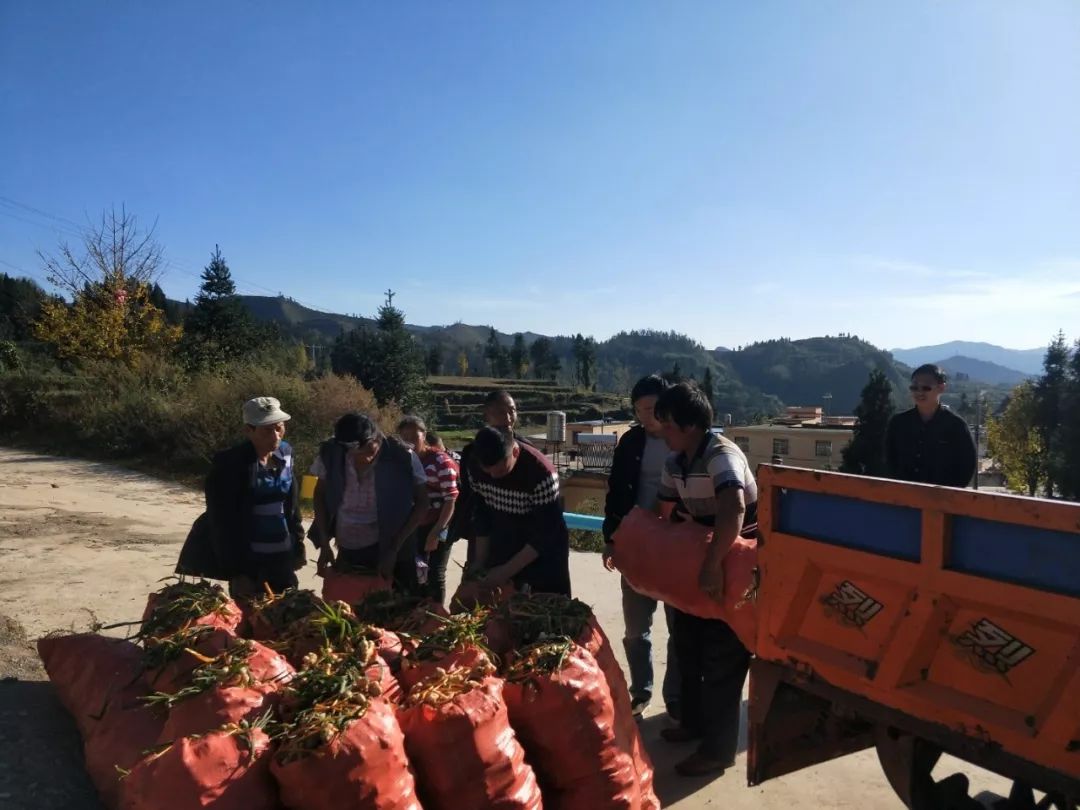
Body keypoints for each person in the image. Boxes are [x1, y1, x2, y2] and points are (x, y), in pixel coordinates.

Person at [654, 382, 756, 778]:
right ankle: (693, 725)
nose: (661, 430)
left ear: (690, 424)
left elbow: (734, 507)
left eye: (666, 423)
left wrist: (713, 566)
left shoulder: (721, 454)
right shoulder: (675, 462)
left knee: (722, 660)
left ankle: (717, 750)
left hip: (737, 566)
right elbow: (664, 509)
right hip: (703, 563)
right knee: (689, 649)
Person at [602, 374, 681, 719]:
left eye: (651, 409)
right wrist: (611, 538)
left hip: (678, 547)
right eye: (638, 410)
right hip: (637, 546)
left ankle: (677, 697)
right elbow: (616, 492)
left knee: (679, 627)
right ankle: (641, 691)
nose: (645, 417)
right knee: (636, 627)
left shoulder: (685, 442)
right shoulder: (631, 443)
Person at [309, 412, 430, 593]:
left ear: (377, 437)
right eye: (354, 453)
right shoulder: (332, 454)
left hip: (390, 546)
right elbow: (319, 495)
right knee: (346, 608)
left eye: (369, 450)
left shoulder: (402, 457)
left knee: (391, 609)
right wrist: (325, 543)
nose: (363, 458)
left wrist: (394, 549)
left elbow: (422, 503)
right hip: (348, 548)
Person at [203, 397, 306, 599]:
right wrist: (237, 572)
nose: (276, 436)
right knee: (252, 623)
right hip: (250, 564)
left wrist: (298, 544)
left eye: (279, 428)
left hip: (282, 558)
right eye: (267, 430)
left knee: (287, 617)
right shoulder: (230, 466)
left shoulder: (285, 453)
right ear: (248, 430)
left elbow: (291, 506)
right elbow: (222, 523)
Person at [469, 426, 571, 596]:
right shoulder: (475, 465)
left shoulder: (541, 474)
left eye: (501, 469)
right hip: (504, 540)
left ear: (515, 452)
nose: (494, 476)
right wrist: (480, 561)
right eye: (488, 471)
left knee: (540, 609)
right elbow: (482, 515)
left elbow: (544, 534)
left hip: (543, 555)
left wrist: (505, 571)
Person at [451, 390, 533, 563]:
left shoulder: (527, 451)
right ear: (486, 415)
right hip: (482, 532)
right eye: (500, 412)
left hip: (517, 535)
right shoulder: (472, 453)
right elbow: (470, 495)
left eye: (512, 411)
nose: (509, 417)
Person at [397, 416, 460, 604]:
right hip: (417, 524)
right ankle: (419, 616)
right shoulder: (405, 461)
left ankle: (436, 618)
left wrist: (436, 532)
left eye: (413, 436)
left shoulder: (441, 462)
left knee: (435, 573)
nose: (409, 442)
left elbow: (451, 499)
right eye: (404, 437)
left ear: (424, 435)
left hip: (440, 523)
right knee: (416, 571)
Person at [885, 364, 977, 487]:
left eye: (926, 387)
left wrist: (949, 494)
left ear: (941, 388)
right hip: (904, 497)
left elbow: (967, 465)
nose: (919, 392)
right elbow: (889, 460)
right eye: (914, 387)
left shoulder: (956, 426)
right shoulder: (898, 423)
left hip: (942, 500)